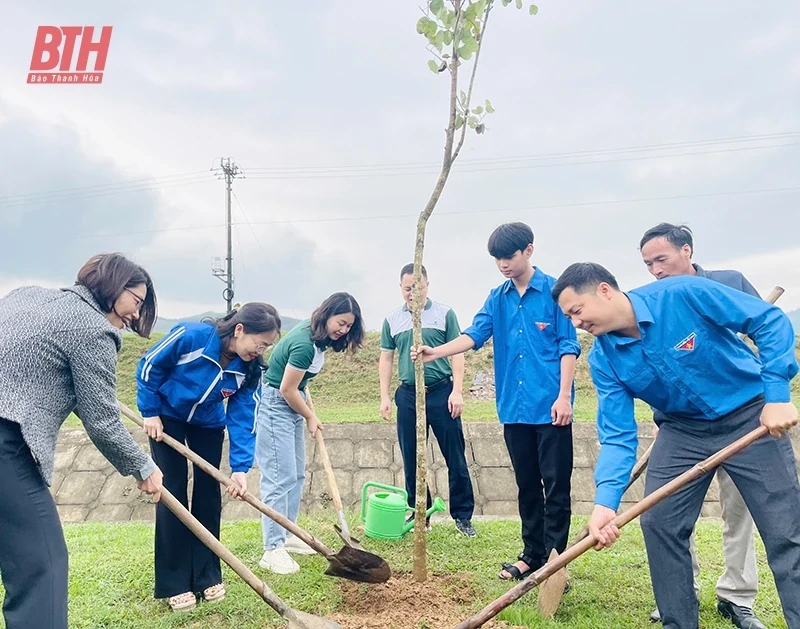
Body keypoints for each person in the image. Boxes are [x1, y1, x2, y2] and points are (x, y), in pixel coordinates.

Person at [551, 262, 800, 629]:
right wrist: (605, 502)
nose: (576, 323)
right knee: (660, 524)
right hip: (682, 432)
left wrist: (777, 393)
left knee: (785, 530)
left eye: (577, 311)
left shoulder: (683, 294)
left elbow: (769, 321)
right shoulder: (604, 359)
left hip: (750, 414)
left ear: (604, 290)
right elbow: (618, 435)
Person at [0, 252, 164, 629]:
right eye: (136, 302)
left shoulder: (27, 295)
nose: (135, 315)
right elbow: (102, 420)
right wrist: (142, 466)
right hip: (6, 440)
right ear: (112, 286)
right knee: (42, 562)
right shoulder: (93, 329)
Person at [411, 222, 581, 581]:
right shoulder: (497, 297)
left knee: (557, 487)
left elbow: (569, 345)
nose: (503, 264)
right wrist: (434, 352)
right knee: (526, 485)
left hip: (552, 409)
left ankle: (555, 564)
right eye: (497, 259)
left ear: (529, 250)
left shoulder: (554, 292)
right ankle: (531, 555)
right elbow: (474, 335)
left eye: (509, 256)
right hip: (514, 408)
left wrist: (564, 396)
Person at [640, 222, 765, 629]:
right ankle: (679, 591)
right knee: (670, 511)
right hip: (681, 427)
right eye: (648, 264)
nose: (656, 270)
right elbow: (655, 368)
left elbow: (764, 333)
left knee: (740, 509)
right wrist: (662, 419)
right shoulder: (652, 304)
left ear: (687, 250)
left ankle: (737, 597)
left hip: (742, 419)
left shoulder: (729, 283)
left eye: (662, 259)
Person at [136, 303, 282, 612]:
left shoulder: (249, 370)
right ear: (240, 330)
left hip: (208, 422)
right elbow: (150, 364)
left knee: (208, 492)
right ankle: (174, 582)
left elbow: (244, 417)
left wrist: (240, 469)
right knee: (171, 491)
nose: (261, 350)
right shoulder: (192, 337)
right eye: (261, 342)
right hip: (167, 417)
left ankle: (206, 575)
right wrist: (150, 412)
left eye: (267, 346)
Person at [256, 292, 365, 575]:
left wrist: (304, 404)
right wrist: (310, 416)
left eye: (348, 327)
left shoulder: (318, 341)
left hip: (293, 404)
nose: (343, 330)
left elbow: (299, 384)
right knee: (280, 477)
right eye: (340, 323)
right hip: (276, 406)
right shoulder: (305, 344)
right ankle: (272, 549)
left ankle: (287, 532)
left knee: (297, 474)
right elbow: (287, 389)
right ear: (327, 314)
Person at [379, 263, 477, 537]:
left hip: (441, 392)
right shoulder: (392, 320)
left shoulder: (444, 314)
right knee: (411, 457)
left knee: (454, 455)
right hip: (409, 395)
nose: (412, 293)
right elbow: (386, 358)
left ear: (427, 285)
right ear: (401, 288)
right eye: (407, 288)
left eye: (417, 287)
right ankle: (419, 511)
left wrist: (457, 390)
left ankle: (462, 516)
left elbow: (458, 352)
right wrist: (385, 396)